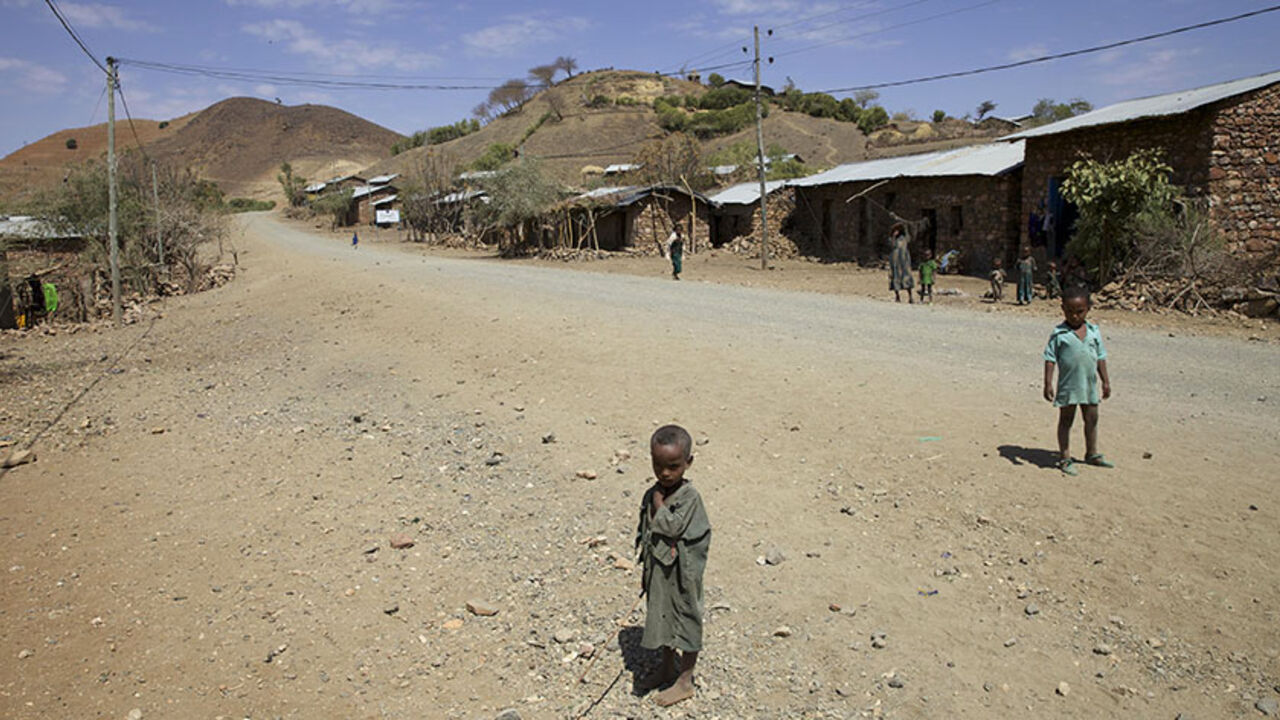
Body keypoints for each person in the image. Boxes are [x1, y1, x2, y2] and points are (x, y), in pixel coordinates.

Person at [636, 424, 711, 707]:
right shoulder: (653, 492)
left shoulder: (689, 497)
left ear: (688, 463)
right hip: (660, 570)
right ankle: (667, 667)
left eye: (673, 466)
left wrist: (658, 503)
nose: (665, 473)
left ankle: (685, 681)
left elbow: (672, 526)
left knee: (687, 617)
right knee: (662, 614)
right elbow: (645, 530)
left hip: (683, 574)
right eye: (658, 465)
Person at [1043, 287, 1113, 476]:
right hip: (1069, 385)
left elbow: (1100, 357)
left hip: (1089, 385)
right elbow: (1050, 359)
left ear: (1089, 308)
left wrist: (1105, 381)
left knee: (1092, 418)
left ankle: (1091, 453)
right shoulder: (1059, 334)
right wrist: (1048, 383)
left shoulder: (1093, 332)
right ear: (1062, 309)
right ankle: (1065, 456)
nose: (1074, 316)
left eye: (1080, 311)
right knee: (1066, 420)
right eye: (1070, 311)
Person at [887, 223, 914, 303]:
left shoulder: (904, 238)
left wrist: (906, 228)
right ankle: (897, 296)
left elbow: (909, 239)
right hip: (895, 260)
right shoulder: (892, 239)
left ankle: (910, 297)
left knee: (906, 276)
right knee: (895, 276)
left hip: (904, 260)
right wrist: (893, 237)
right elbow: (892, 245)